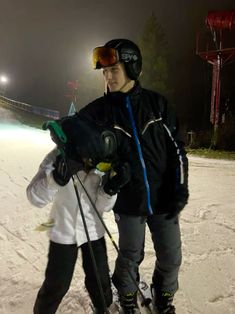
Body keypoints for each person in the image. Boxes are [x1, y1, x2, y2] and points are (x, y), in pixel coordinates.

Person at [73, 39, 189, 314]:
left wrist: (180, 190)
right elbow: (74, 129)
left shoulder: (157, 106)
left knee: (171, 257)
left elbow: (178, 151)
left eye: (114, 70)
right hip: (127, 200)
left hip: (163, 199)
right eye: (105, 72)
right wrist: (61, 133)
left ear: (132, 68)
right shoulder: (100, 111)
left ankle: (164, 297)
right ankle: (127, 298)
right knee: (130, 255)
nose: (108, 76)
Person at [26, 119, 129, 314]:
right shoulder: (58, 157)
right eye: (90, 159)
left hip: (93, 230)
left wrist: (110, 189)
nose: (93, 165)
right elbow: (34, 197)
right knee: (57, 284)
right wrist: (56, 179)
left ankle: (104, 308)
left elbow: (103, 206)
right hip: (63, 230)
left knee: (100, 281)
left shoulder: (103, 161)